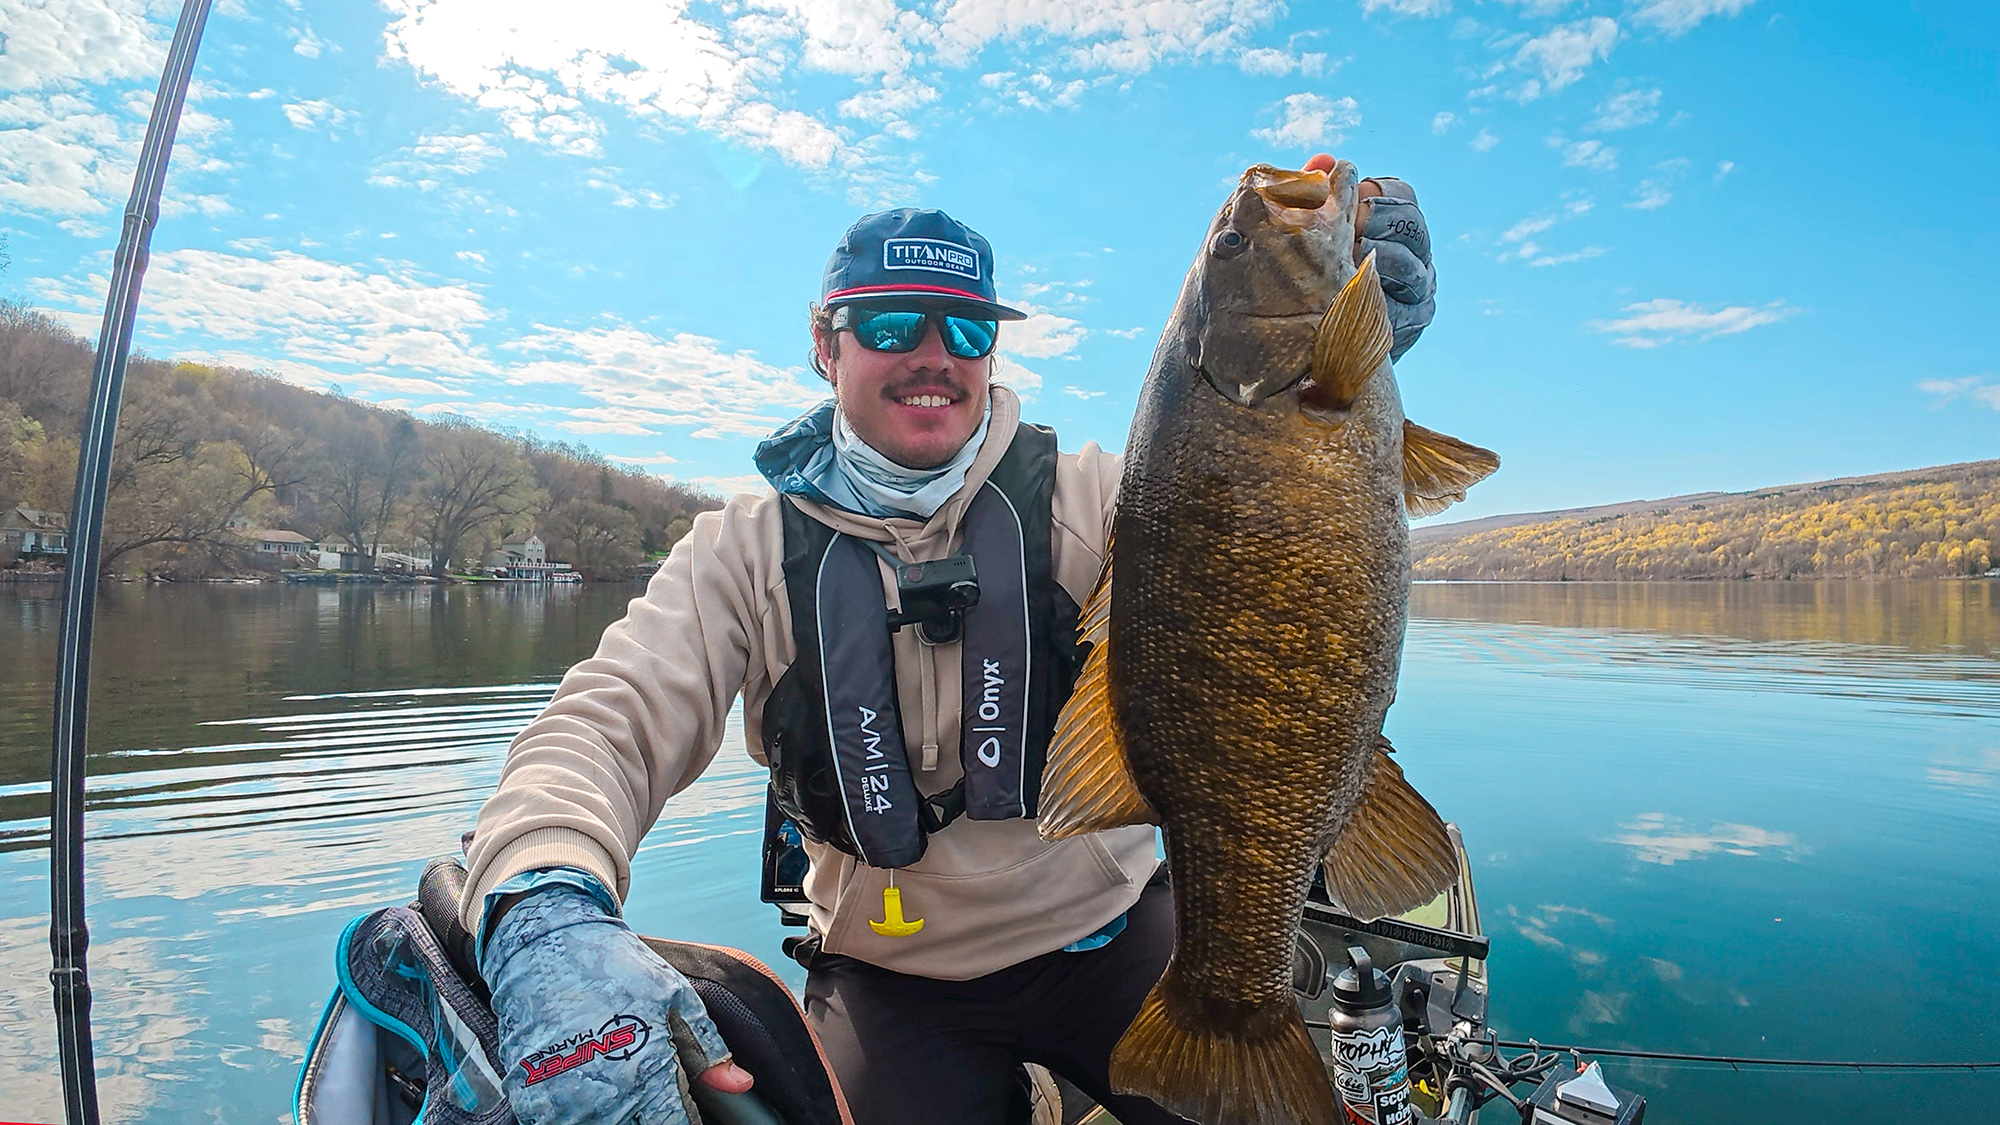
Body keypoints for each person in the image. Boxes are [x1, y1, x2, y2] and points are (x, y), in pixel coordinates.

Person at [461, 154, 1438, 1125]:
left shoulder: (1103, 498)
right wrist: (541, 908)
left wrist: (1349, 352)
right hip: (891, 978)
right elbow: (603, 723)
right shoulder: (740, 553)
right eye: (890, 325)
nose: (932, 353)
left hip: (1111, 934)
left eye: (965, 327)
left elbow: (1263, 498)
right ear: (823, 344)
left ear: (988, 352)